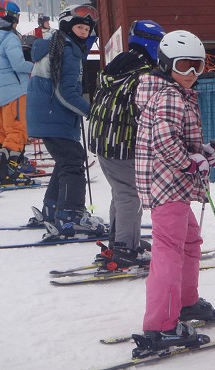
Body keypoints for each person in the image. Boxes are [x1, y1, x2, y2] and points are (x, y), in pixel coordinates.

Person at [133, 30, 215, 352]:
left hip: (171, 185)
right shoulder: (170, 95)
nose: (192, 74)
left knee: (189, 242)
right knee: (168, 253)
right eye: (185, 65)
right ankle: (159, 326)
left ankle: (185, 302)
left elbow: (176, 138)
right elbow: (164, 142)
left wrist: (203, 151)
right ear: (167, 63)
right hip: (167, 184)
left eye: (198, 66)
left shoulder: (174, 92)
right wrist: (189, 163)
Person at [88, 20, 166, 269]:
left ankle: (121, 238)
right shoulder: (143, 74)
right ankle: (125, 248)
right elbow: (141, 113)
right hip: (122, 144)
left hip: (104, 140)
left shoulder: (118, 64)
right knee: (130, 195)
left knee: (120, 192)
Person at [26, 4, 106, 237]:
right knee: (73, 160)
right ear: (68, 27)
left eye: (87, 29)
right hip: (54, 114)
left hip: (47, 114)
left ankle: (52, 209)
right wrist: (92, 112)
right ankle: (70, 215)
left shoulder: (57, 43)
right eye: (79, 27)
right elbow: (65, 92)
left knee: (66, 160)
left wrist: (95, 31)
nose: (84, 32)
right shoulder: (68, 50)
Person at [0, 0, 34, 187]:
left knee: (1, 133)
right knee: (17, 131)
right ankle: (7, 173)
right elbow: (18, 65)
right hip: (14, 92)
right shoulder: (10, 38)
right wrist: (35, 67)